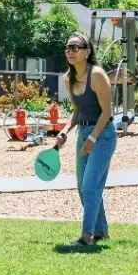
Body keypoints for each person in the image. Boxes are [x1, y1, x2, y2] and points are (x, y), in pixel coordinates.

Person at [52, 33, 115, 250]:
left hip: (103, 134)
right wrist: (65, 131)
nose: (69, 51)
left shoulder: (97, 75)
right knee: (83, 187)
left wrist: (93, 137)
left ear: (87, 52)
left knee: (90, 187)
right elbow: (77, 111)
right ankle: (101, 232)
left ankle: (86, 236)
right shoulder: (67, 79)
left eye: (75, 47)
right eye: (67, 47)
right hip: (84, 134)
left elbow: (107, 112)